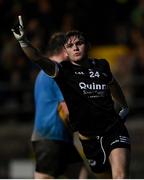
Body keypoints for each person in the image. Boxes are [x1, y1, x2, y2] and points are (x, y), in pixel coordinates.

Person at [12, 15, 131, 179]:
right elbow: (37, 58)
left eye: (79, 43)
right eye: (70, 45)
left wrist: (124, 105)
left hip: (113, 129)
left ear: (87, 46)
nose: (75, 47)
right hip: (86, 139)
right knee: (99, 176)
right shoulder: (63, 72)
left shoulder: (102, 65)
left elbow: (113, 84)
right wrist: (24, 41)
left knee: (119, 176)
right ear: (65, 52)